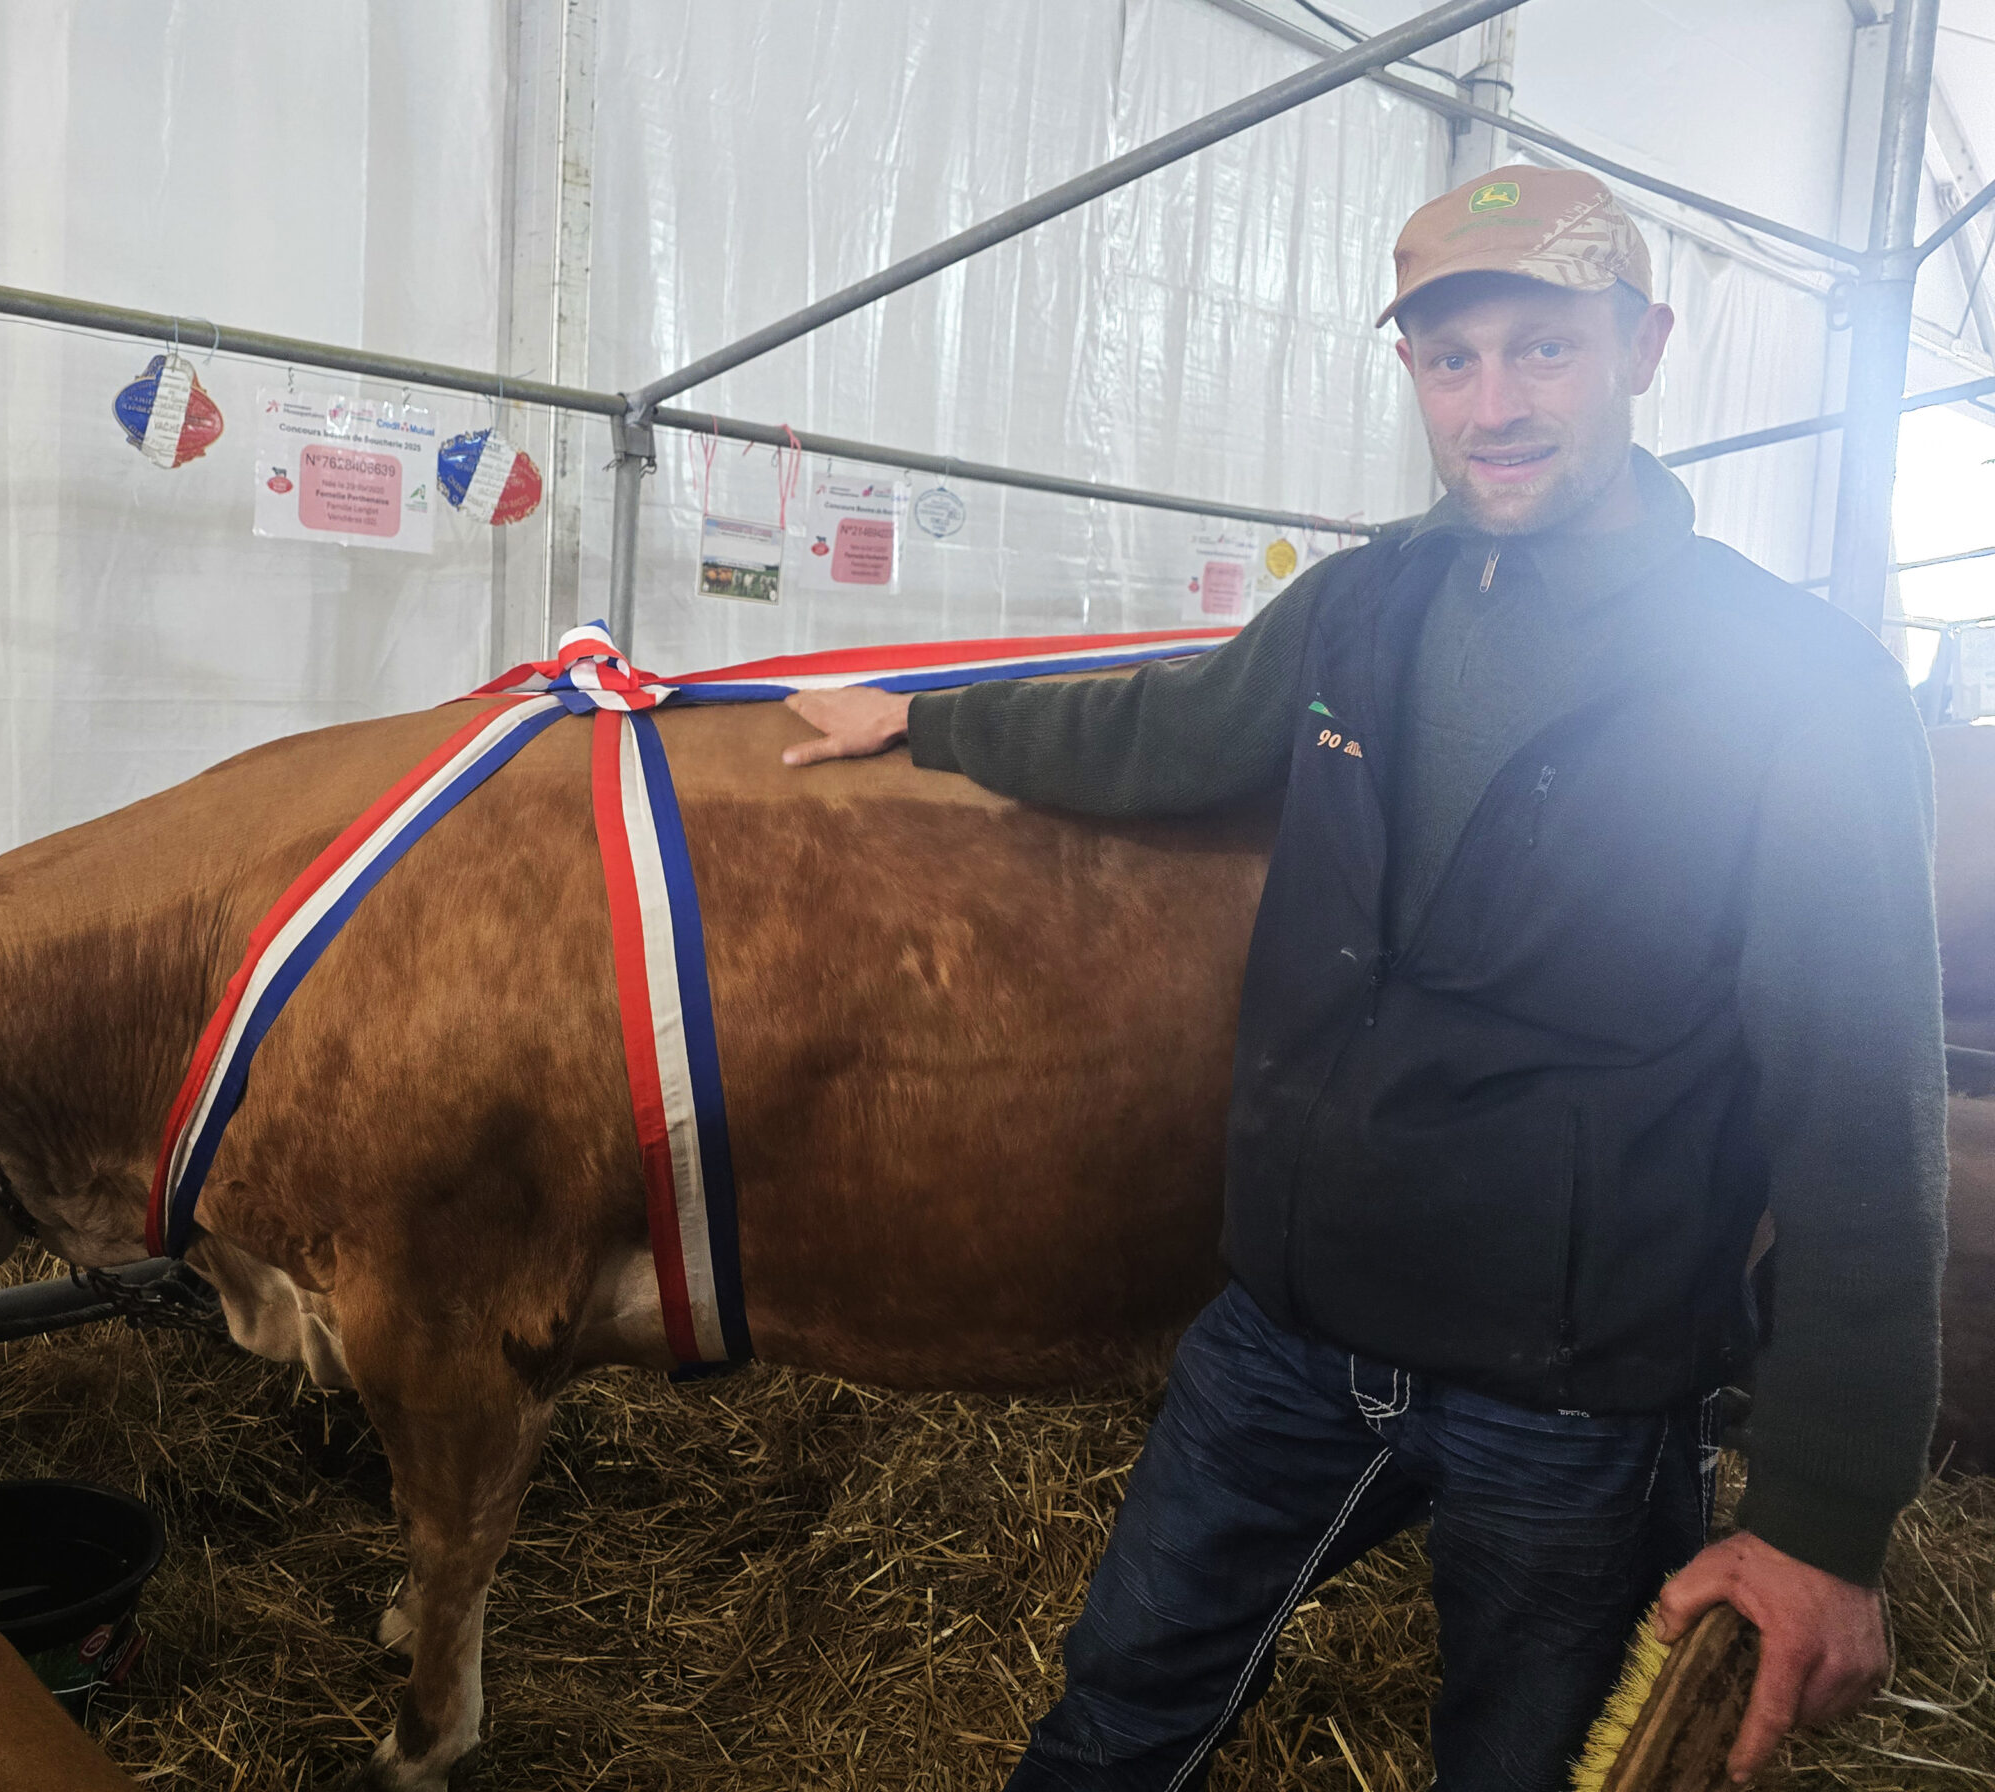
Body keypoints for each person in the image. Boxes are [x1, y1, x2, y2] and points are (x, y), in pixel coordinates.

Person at [782, 165, 1947, 1792]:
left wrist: (1823, 1522)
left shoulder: (1796, 689)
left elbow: (1860, 1136)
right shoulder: (1364, 603)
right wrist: (933, 723)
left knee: (1518, 1767)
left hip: (1576, 1400)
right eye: (1451, 359)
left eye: (1543, 350)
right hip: (1287, 1333)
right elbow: (1164, 730)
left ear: (1644, 347)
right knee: (1118, 1704)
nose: (1495, 404)